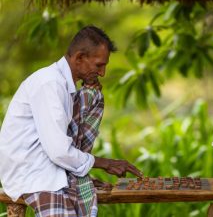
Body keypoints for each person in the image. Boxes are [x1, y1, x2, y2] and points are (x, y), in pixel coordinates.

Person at [0, 25, 143, 216]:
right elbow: (58, 151)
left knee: (93, 95)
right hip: (31, 172)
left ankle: (75, 175)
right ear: (79, 58)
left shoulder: (65, 85)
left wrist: (91, 93)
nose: (103, 73)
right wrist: (105, 163)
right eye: (99, 65)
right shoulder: (50, 83)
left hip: (49, 164)